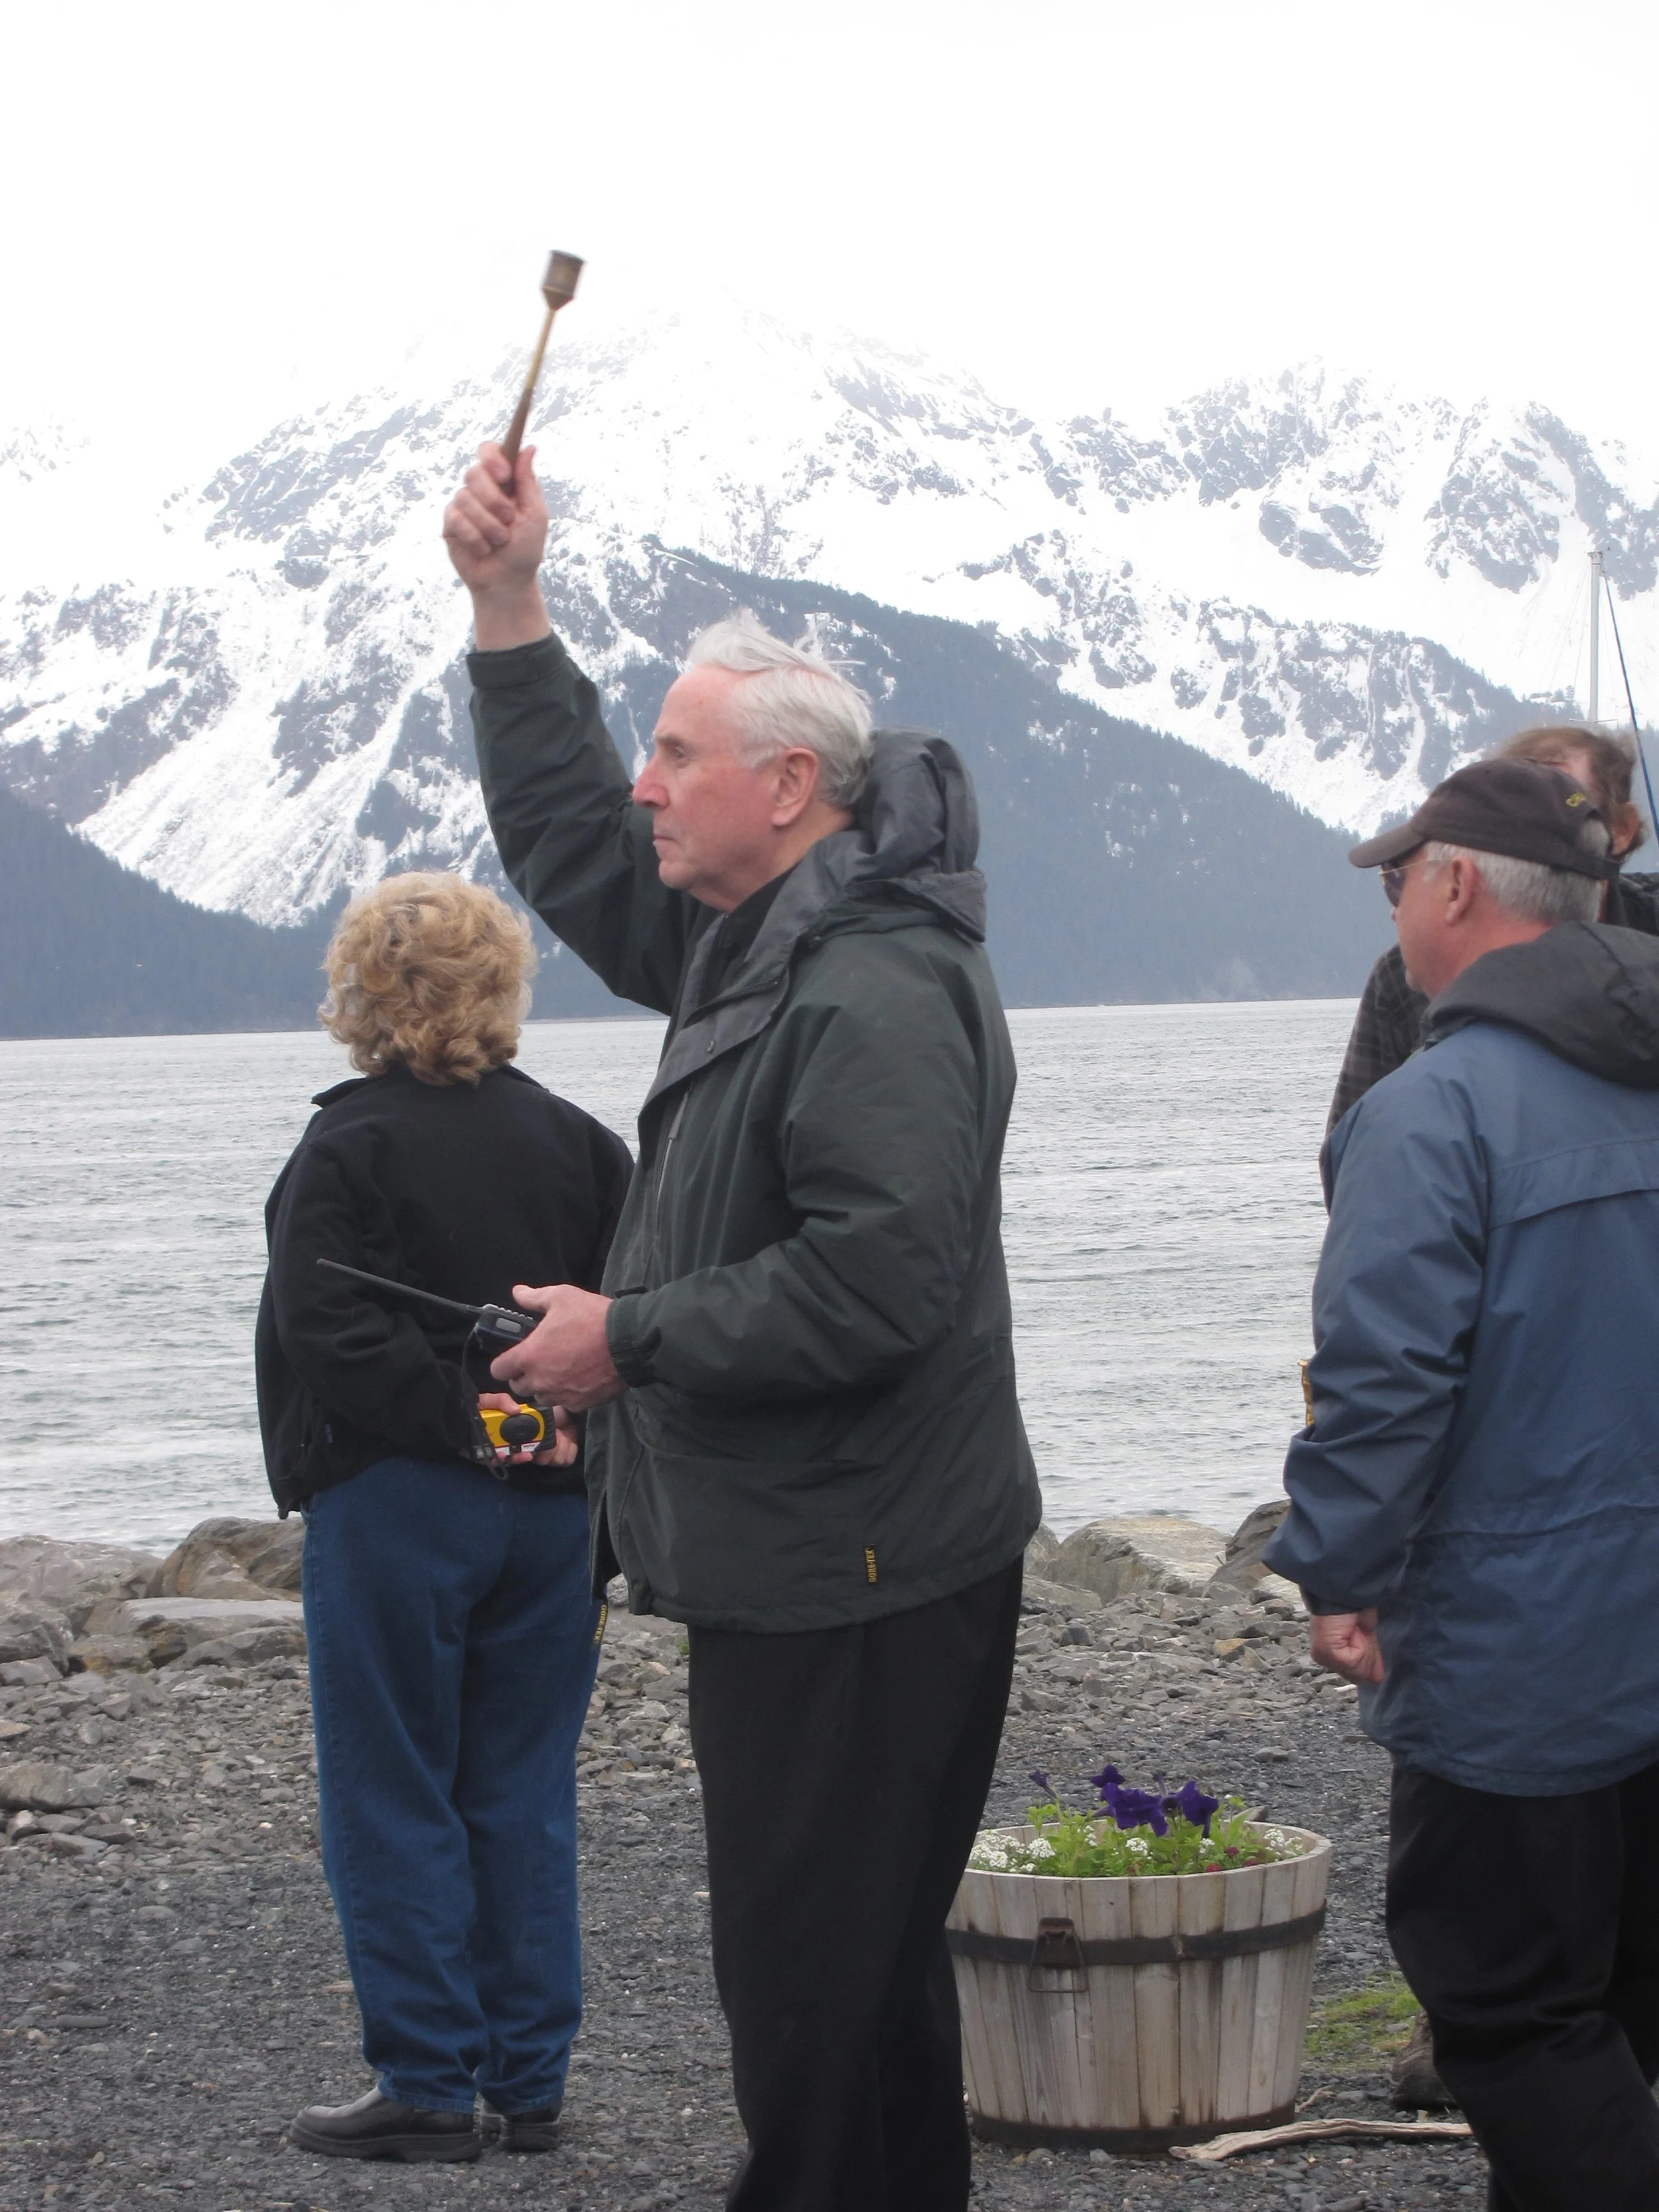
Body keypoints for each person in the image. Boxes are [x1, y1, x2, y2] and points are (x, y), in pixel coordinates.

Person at [441, 441, 1041, 2212]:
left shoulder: (869, 979)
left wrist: (625, 1337)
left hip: (861, 1569)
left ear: (787, 786)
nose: (646, 785)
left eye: (676, 756)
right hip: (823, 1557)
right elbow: (567, 837)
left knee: (805, 1984)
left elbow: (879, 1281)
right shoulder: (765, 939)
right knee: (848, 1983)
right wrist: (507, 608)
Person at [1264, 760, 1659, 2211]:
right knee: (1615, 1997)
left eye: (1394, 877)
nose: (1391, 906)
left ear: (1455, 887)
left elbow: (1381, 1368)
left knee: (1502, 2008)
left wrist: (1341, 1569)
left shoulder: (1433, 1110)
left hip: (1519, 1636)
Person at [255, 871, 633, 2164]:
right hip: (554, 1512)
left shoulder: (344, 1145)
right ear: (502, 989)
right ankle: (527, 2084)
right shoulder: (582, 1143)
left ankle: (425, 2079)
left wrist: (453, 1413)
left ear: (360, 993)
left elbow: (325, 1330)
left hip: (400, 1502)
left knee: (392, 1783)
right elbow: (632, 1314)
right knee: (519, 1787)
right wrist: (537, 1427)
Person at [1326, 725, 1659, 1131]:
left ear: (1620, 829)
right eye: (1515, 797)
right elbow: (1355, 1145)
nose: (1530, 818)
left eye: (1563, 795)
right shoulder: (1404, 978)